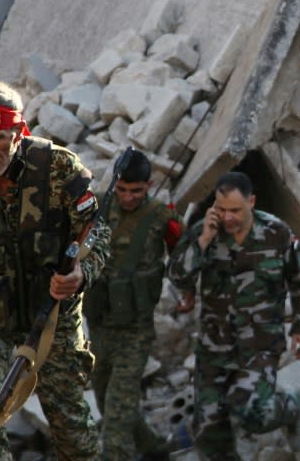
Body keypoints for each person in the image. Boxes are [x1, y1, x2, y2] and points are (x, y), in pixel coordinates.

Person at [0, 81, 110, 461]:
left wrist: (81, 272)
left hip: (51, 309)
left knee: (73, 432)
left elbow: (97, 232)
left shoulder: (59, 167)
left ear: (18, 131)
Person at [167, 172, 300, 461]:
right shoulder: (203, 231)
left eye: (235, 210)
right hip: (214, 347)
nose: (228, 217)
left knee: (250, 413)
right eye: (221, 209)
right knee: (209, 432)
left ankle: (294, 404)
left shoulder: (276, 232)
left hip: (259, 346)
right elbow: (177, 276)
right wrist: (203, 241)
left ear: (252, 202)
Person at [84, 149, 187, 461]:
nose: (128, 197)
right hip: (99, 325)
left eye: (137, 191)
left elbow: (183, 257)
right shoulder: (96, 208)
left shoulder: (160, 217)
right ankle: (154, 448)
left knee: (117, 412)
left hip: (135, 330)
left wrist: (187, 291)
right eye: (123, 189)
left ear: (149, 185)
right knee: (106, 400)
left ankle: (118, 455)